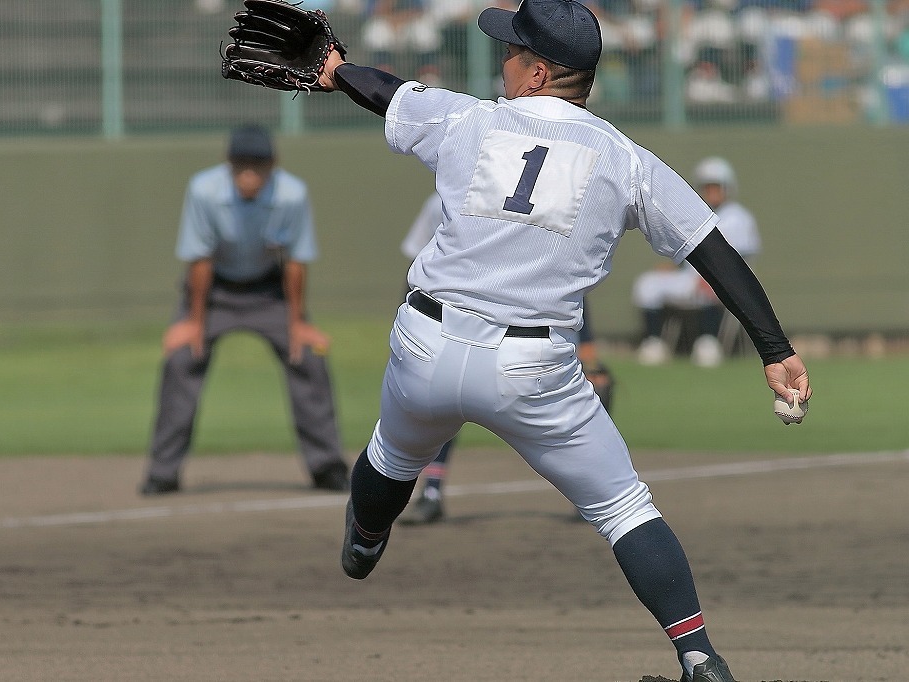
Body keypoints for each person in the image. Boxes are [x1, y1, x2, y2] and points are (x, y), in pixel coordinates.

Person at [315, 1, 812, 680]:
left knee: (392, 453)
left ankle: (366, 539)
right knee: (624, 508)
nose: (503, 59)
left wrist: (336, 70)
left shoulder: (471, 119)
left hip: (427, 342)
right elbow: (711, 250)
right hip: (533, 367)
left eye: (513, 51)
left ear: (538, 74)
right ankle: (698, 654)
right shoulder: (625, 158)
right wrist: (775, 349)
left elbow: (387, 92)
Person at [139, 125, 350, 496]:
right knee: (181, 359)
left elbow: (296, 261)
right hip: (214, 290)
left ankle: (327, 467)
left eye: (258, 166)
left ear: (273, 165)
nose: (249, 176)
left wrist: (298, 323)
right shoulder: (203, 190)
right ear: (228, 165)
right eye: (241, 166)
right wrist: (193, 323)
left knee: (309, 360)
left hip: (269, 292)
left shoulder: (291, 195)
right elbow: (200, 259)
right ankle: (163, 472)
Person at [396, 192, 616, 525]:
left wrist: (587, 348)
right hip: (459, 322)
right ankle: (431, 492)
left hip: (528, 335)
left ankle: (590, 493)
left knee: (579, 402)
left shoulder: (548, 197)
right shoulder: (446, 195)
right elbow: (417, 266)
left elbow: (565, 279)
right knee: (441, 403)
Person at [632, 155, 761, 367]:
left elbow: (743, 258)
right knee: (647, 284)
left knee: (711, 286)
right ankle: (654, 343)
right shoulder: (694, 213)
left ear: (727, 188)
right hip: (689, 277)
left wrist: (721, 277)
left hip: (721, 278)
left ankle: (708, 342)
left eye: (716, 186)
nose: (711, 192)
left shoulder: (738, 217)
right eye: (706, 187)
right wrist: (674, 267)